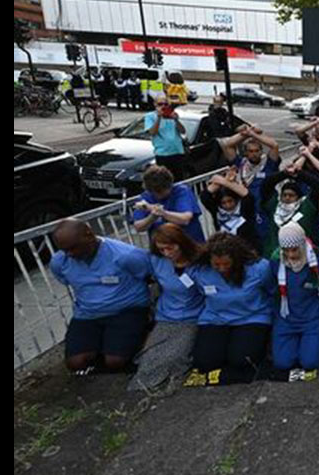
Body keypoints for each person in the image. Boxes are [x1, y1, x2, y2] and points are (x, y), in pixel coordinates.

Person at [49, 220, 151, 374]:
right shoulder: (59, 262)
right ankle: (107, 345)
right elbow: (65, 279)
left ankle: (139, 335)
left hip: (126, 309)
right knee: (75, 363)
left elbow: (149, 275)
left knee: (115, 362)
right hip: (87, 314)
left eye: (73, 247)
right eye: (64, 250)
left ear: (89, 235)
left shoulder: (125, 255)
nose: (70, 254)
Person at [184, 233, 275, 386]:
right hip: (215, 318)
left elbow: (272, 291)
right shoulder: (198, 270)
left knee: (242, 360)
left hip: (251, 317)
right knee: (204, 362)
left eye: (226, 264)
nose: (221, 269)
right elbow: (187, 286)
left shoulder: (259, 268)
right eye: (216, 265)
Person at [131, 224, 204, 391]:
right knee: (149, 358)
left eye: (170, 248)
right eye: (162, 250)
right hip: (166, 315)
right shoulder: (157, 261)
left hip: (193, 317)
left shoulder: (199, 262)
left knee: (175, 356)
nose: (167, 254)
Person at [272, 223, 319, 380]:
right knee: (282, 363)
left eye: (295, 249)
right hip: (287, 318)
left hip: (313, 317)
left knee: (311, 362)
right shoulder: (275, 264)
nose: (290, 255)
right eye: (286, 250)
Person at [220, 124, 282, 242]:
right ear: (246, 153)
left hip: (265, 210)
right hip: (245, 210)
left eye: (257, 151)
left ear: (261, 151)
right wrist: (244, 134)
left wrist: (254, 134)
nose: (254, 154)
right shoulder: (241, 164)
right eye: (250, 151)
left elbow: (274, 145)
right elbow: (227, 145)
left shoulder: (268, 164)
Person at [132, 165, 205, 243]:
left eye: (161, 191)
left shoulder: (182, 191)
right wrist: (152, 217)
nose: (158, 195)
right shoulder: (145, 197)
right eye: (155, 192)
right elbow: (138, 227)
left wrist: (161, 212)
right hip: (162, 247)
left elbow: (185, 219)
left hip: (189, 243)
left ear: (170, 185)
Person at [199, 166, 259, 251]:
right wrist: (221, 181)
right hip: (227, 251)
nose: (228, 205)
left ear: (236, 199)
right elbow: (204, 196)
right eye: (224, 203)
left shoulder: (244, 208)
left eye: (230, 201)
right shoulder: (217, 211)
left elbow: (247, 196)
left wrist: (225, 182)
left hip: (248, 249)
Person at [145, 98, 190, 180]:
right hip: (162, 154)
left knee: (178, 179)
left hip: (177, 152)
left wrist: (176, 120)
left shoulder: (172, 115)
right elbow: (152, 132)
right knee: (165, 179)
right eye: (160, 104)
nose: (163, 106)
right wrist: (159, 118)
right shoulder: (150, 116)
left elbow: (183, 131)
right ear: (155, 104)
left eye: (166, 104)